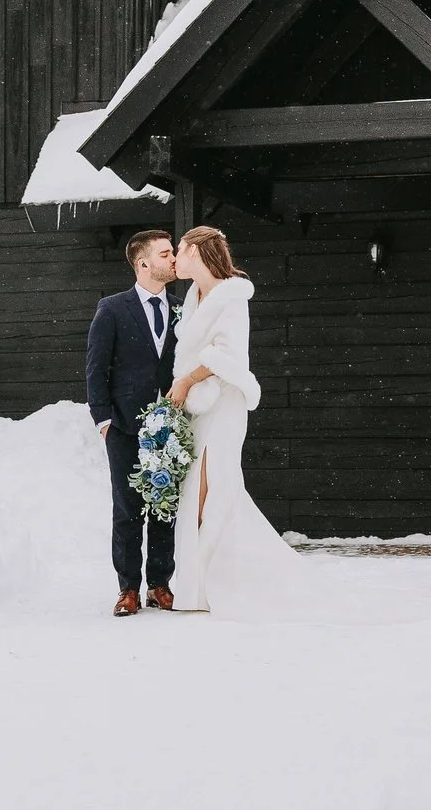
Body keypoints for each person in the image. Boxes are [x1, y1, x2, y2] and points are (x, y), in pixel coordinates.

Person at [164, 224, 299, 615]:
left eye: (179, 250)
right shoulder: (194, 296)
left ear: (196, 251)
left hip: (223, 404)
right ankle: (199, 585)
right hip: (198, 408)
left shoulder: (232, 298)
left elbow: (229, 356)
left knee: (213, 488)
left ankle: (219, 583)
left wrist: (187, 380)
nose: (174, 258)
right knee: (196, 494)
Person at [84, 227, 180, 618]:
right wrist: (103, 419)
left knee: (165, 506)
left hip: (171, 427)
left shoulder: (182, 308)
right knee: (127, 509)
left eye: (173, 252)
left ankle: (160, 584)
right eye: (165, 253)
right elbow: (96, 366)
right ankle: (128, 589)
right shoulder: (112, 308)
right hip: (123, 425)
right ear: (143, 263)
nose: (173, 259)